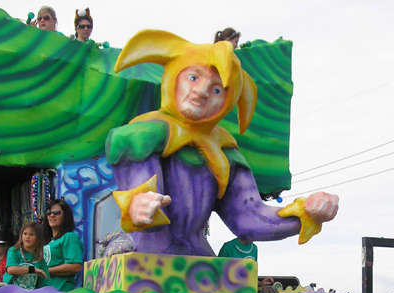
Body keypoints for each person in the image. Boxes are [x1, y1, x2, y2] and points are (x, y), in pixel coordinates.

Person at [108, 30, 338, 256]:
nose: (201, 92)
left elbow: (250, 219)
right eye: (193, 77)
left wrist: (307, 213)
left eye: (217, 89)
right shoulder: (141, 135)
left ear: (229, 101)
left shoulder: (225, 151)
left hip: (200, 266)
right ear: (174, 75)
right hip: (143, 262)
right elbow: (145, 208)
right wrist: (138, 205)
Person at [43, 199, 83, 291]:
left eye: (57, 212)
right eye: (49, 213)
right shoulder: (47, 241)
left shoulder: (70, 237)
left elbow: (75, 266)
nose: (52, 215)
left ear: (65, 216)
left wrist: (45, 272)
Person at [4, 222, 50, 290]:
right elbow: (11, 270)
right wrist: (32, 270)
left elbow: (44, 285)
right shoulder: (14, 251)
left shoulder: (40, 259)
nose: (27, 237)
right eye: (25, 234)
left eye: (31, 234)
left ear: (38, 238)